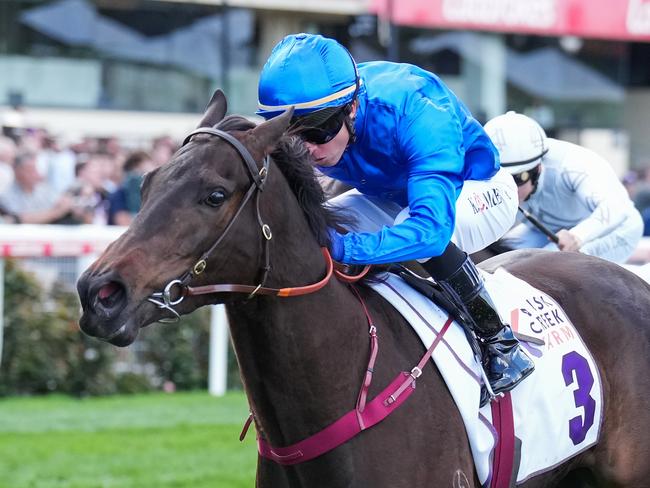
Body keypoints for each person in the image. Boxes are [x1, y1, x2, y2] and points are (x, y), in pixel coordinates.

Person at [257, 33, 534, 401]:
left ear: (352, 108)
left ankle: (499, 343)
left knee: (409, 231)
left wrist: (346, 247)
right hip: (388, 194)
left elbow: (430, 232)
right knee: (312, 232)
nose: (306, 149)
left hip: (477, 187)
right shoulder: (330, 112)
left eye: (316, 131)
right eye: (291, 136)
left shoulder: (414, 107)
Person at [484, 111, 643, 263]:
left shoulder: (572, 165)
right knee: (494, 259)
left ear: (538, 169)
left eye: (517, 179)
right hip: (545, 231)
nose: (508, 189)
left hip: (617, 230)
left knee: (544, 263)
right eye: (499, 180)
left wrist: (577, 235)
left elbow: (617, 207)